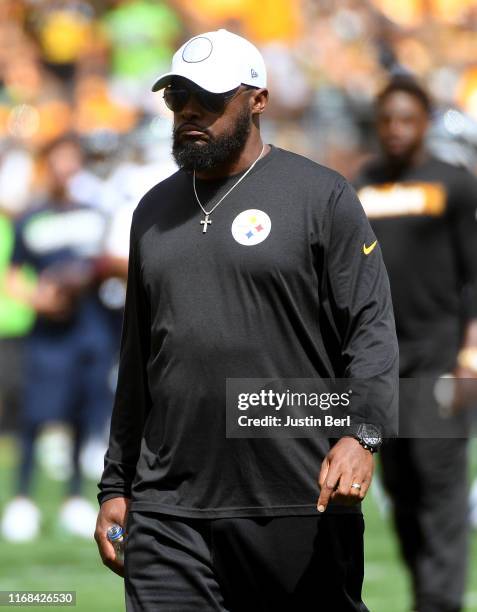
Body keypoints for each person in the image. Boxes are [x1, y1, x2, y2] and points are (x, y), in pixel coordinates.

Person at [95, 29, 398, 611]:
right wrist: (117, 483)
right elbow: (137, 359)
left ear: (257, 98)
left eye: (207, 98)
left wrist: (363, 433)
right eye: (177, 97)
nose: (188, 112)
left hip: (295, 496)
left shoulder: (322, 197)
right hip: (167, 510)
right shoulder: (152, 211)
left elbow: (371, 327)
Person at [355, 77, 477, 612]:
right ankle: (426, 595)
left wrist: (471, 351)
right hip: (383, 367)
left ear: (425, 122)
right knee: (400, 491)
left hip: (439, 360)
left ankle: (439, 603)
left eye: (407, 119)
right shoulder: (361, 186)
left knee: (440, 487)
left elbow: (475, 275)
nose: (396, 130)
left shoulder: (454, 183)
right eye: (387, 120)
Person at [1, 134, 116, 542]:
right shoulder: (31, 217)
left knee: (82, 413)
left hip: (90, 330)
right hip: (48, 336)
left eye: (73, 160)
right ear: (46, 164)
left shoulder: (96, 213)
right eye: (59, 160)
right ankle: (21, 500)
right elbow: (13, 276)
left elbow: (111, 261)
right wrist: (40, 296)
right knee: (34, 416)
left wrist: (86, 276)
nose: (66, 168)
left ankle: (73, 499)